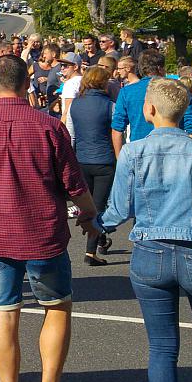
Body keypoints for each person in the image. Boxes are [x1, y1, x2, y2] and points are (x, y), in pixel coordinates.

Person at [0, 54, 97, 382]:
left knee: (4, 315)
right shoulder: (48, 126)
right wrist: (89, 213)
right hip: (42, 232)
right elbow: (73, 184)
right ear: (26, 83)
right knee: (57, 308)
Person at [96, 78, 192, 382]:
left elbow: (118, 210)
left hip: (150, 250)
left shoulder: (133, 152)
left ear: (149, 110)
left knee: (162, 347)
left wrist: (97, 224)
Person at [68, 66, 116, 266]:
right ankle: (91, 251)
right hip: (104, 159)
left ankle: (99, 238)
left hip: (82, 158)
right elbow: (117, 132)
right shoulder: (110, 105)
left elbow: (71, 133)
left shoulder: (75, 105)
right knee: (99, 206)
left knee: (87, 205)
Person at [112, 50, 192, 156]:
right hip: (174, 152)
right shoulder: (178, 89)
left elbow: (117, 130)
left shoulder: (127, 92)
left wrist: (120, 159)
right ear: (160, 68)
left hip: (140, 151)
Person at [58, 52, 83, 136]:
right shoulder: (85, 80)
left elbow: (67, 110)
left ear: (75, 67)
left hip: (70, 127)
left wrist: (60, 128)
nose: (62, 68)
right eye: (61, 65)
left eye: (65, 66)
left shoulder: (70, 84)